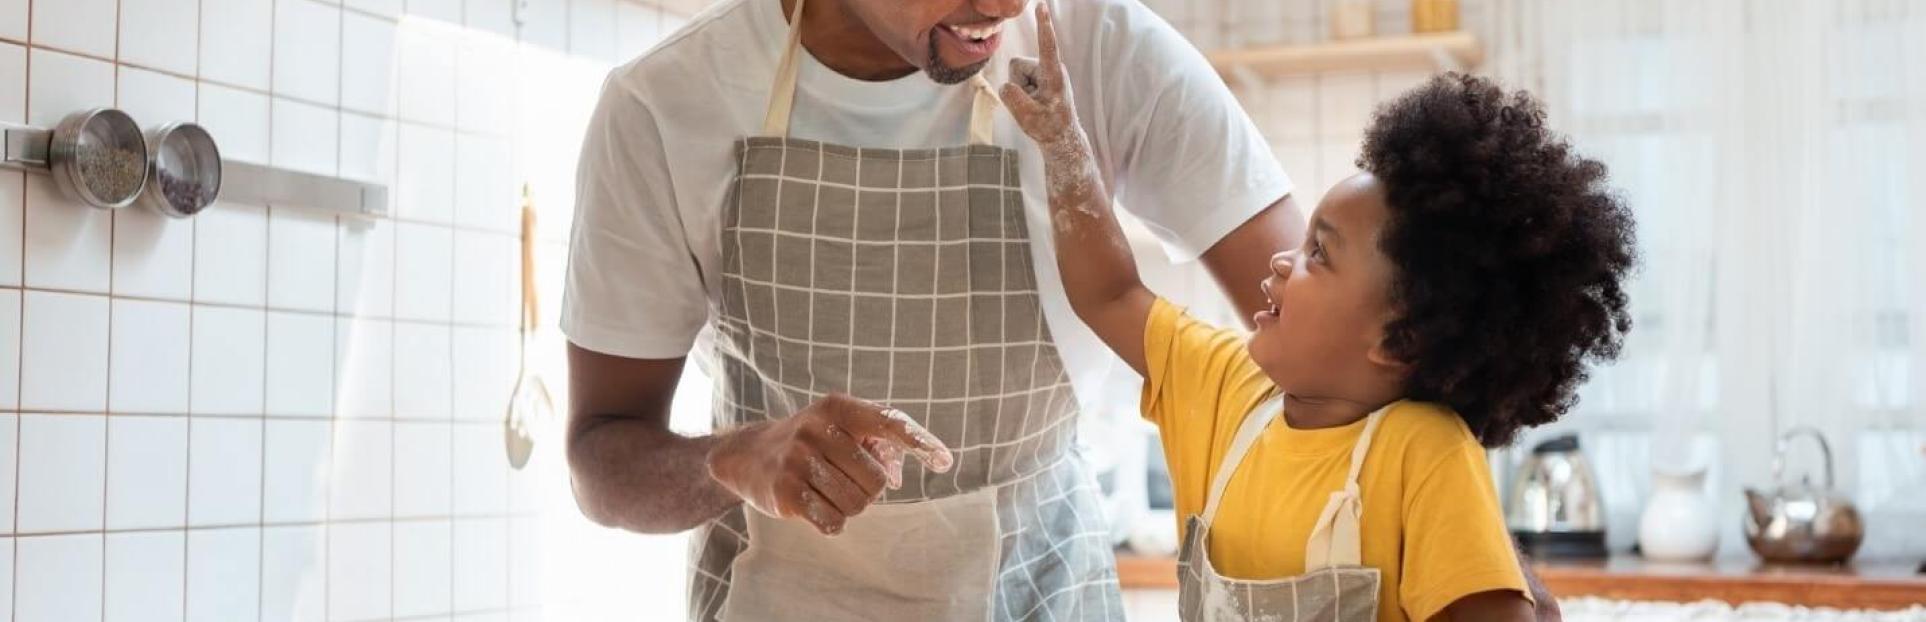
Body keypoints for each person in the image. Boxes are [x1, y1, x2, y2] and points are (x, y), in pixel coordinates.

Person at [560, 0, 1310, 618]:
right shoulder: (664, 104)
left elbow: (1330, 342)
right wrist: (729, 461)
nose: (1005, 8)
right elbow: (601, 462)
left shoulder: (1105, 51)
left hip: (1047, 595)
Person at [995, 9, 1634, 620]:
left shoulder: (1426, 456)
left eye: (1317, 253)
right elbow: (1109, 294)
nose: (1278, 260)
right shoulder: (1221, 386)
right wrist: (1065, 148)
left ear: (1399, 338)